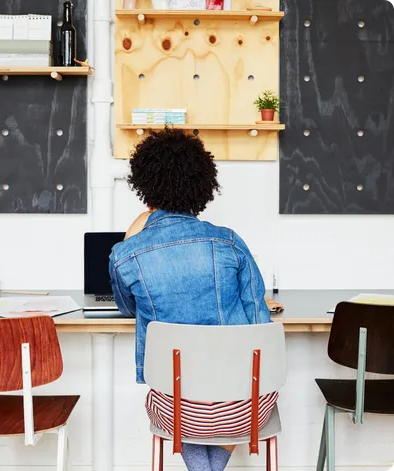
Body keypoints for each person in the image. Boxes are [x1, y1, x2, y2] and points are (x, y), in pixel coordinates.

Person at [109, 128, 283, 471]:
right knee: (246, 388)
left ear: (145, 188)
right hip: (243, 410)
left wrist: (132, 235)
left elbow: (128, 308)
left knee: (173, 392)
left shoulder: (125, 255)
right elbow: (259, 321)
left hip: (178, 412)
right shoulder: (230, 243)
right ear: (201, 186)